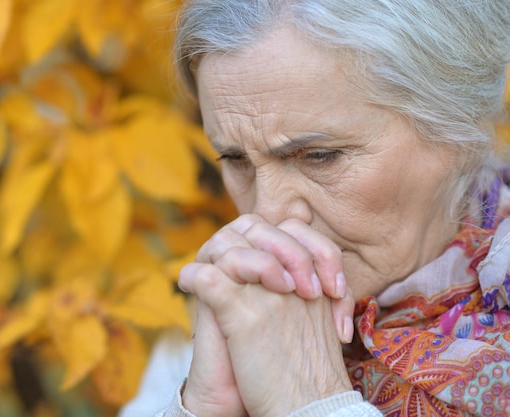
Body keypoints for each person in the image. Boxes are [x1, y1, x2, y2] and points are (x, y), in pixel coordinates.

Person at [119, 0, 510, 416]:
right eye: (236, 160)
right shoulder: (223, 318)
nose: (268, 217)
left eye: (320, 156)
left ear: (456, 125)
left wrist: (313, 402)